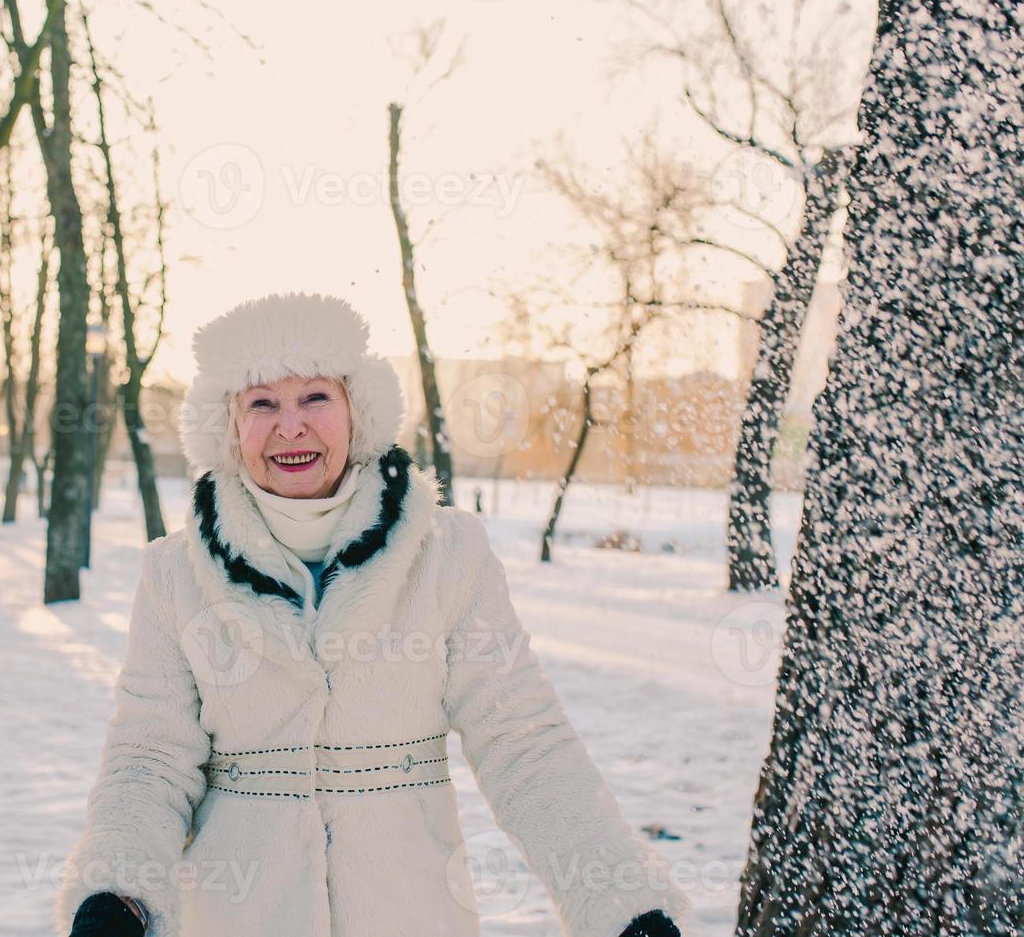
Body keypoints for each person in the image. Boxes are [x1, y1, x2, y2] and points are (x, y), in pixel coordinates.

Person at [58, 292, 691, 936]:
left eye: (315, 398)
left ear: (358, 411)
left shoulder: (448, 556)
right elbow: (149, 760)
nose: (291, 426)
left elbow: (523, 743)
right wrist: (117, 892)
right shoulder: (174, 575)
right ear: (227, 425)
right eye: (261, 404)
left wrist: (621, 903)